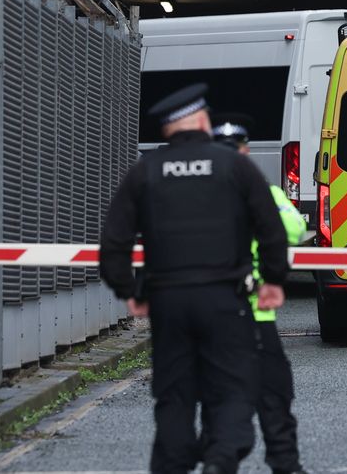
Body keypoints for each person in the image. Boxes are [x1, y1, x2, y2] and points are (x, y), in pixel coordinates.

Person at [99, 84, 289, 474]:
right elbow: (271, 227)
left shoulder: (145, 172)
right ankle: (220, 459)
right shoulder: (235, 166)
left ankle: (172, 465)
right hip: (225, 299)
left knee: (174, 394)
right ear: (203, 121)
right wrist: (273, 280)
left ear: (168, 130)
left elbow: (114, 240)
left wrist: (129, 290)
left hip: (168, 302)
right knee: (233, 388)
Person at [211, 112, 309, 474]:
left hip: (213, 315)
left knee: (222, 396)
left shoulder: (197, 197)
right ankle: (284, 464)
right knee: (274, 393)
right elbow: (295, 227)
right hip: (254, 313)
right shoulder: (265, 192)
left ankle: (220, 462)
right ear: (245, 152)